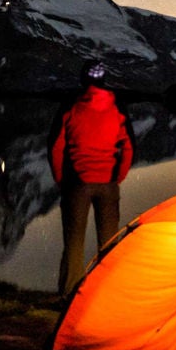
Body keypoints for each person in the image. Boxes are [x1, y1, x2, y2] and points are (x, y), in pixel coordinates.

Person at [48, 61, 134, 296]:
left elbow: (56, 145)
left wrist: (60, 178)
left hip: (77, 184)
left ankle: (69, 295)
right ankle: (105, 295)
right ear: (104, 79)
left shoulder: (71, 105)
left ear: (82, 79)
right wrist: (119, 176)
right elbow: (129, 147)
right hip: (108, 184)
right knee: (109, 243)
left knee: (74, 243)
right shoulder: (117, 106)